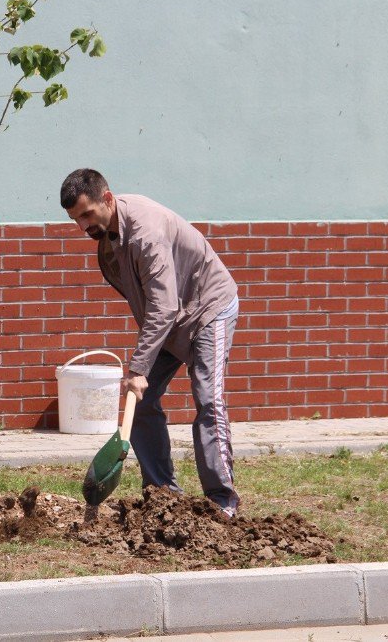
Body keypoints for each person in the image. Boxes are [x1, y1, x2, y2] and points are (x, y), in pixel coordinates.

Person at [60, 169, 241, 516]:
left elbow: (163, 304)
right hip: (170, 321)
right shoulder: (110, 235)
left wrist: (140, 366)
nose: (83, 226)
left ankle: (223, 501)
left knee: (208, 399)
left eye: (86, 214)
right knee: (139, 401)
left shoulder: (145, 233)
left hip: (208, 309)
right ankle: (163, 495)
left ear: (107, 199)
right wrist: (141, 370)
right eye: (75, 219)